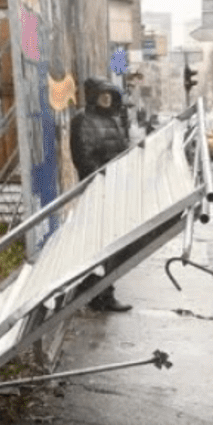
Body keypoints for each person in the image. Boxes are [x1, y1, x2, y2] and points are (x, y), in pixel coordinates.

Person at [70, 78, 133, 312]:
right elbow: (83, 157)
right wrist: (102, 178)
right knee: (97, 245)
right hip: (98, 189)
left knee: (111, 244)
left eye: (110, 95)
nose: (107, 99)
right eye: (102, 94)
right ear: (93, 96)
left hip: (115, 188)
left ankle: (104, 293)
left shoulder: (113, 120)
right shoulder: (83, 121)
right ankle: (93, 292)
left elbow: (123, 150)